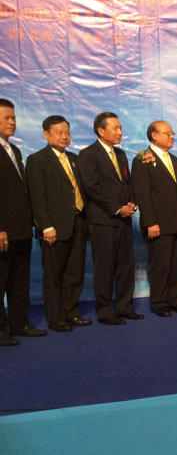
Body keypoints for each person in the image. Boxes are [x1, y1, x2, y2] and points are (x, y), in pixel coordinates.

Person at [26, 115, 90, 332]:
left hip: (78, 223)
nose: (65, 137)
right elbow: (37, 196)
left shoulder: (74, 159)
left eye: (67, 132)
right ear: (46, 135)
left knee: (75, 272)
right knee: (54, 275)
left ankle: (71, 313)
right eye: (59, 133)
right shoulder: (37, 160)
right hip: (54, 227)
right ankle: (56, 318)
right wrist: (46, 225)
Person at [79, 112, 143, 325]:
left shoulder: (121, 154)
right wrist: (117, 208)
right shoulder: (88, 154)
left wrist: (132, 202)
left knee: (126, 266)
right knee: (104, 267)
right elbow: (92, 187)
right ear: (101, 130)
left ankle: (125, 307)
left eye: (120, 128)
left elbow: (128, 183)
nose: (120, 132)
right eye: (115, 128)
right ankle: (105, 311)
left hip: (125, 220)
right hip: (103, 220)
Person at [131, 121, 177, 317]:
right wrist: (150, 222)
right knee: (161, 265)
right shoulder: (142, 160)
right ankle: (160, 302)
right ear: (154, 135)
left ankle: (176, 300)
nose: (171, 136)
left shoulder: (176, 161)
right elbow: (142, 194)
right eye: (167, 133)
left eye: (172, 133)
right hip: (158, 224)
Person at [0, 99, 47, 345]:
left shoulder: (14, 150)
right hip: (3, 230)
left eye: (14, 117)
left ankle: (20, 323)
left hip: (21, 228)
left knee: (20, 278)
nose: (12, 122)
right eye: (6, 118)